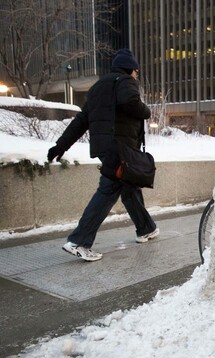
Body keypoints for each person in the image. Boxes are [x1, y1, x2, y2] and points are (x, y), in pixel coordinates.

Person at [47, 49, 159, 261]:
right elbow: (130, 102)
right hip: (120, 148)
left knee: (129, 186)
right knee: (109, 189)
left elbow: (81, 121)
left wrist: (60, 146)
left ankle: (146, 229)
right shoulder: (125, 81)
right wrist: (146, 111)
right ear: (131, 69)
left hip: (105, 147)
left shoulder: (98, 87)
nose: (137, 75)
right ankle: (79, 241)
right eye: (136, 71)